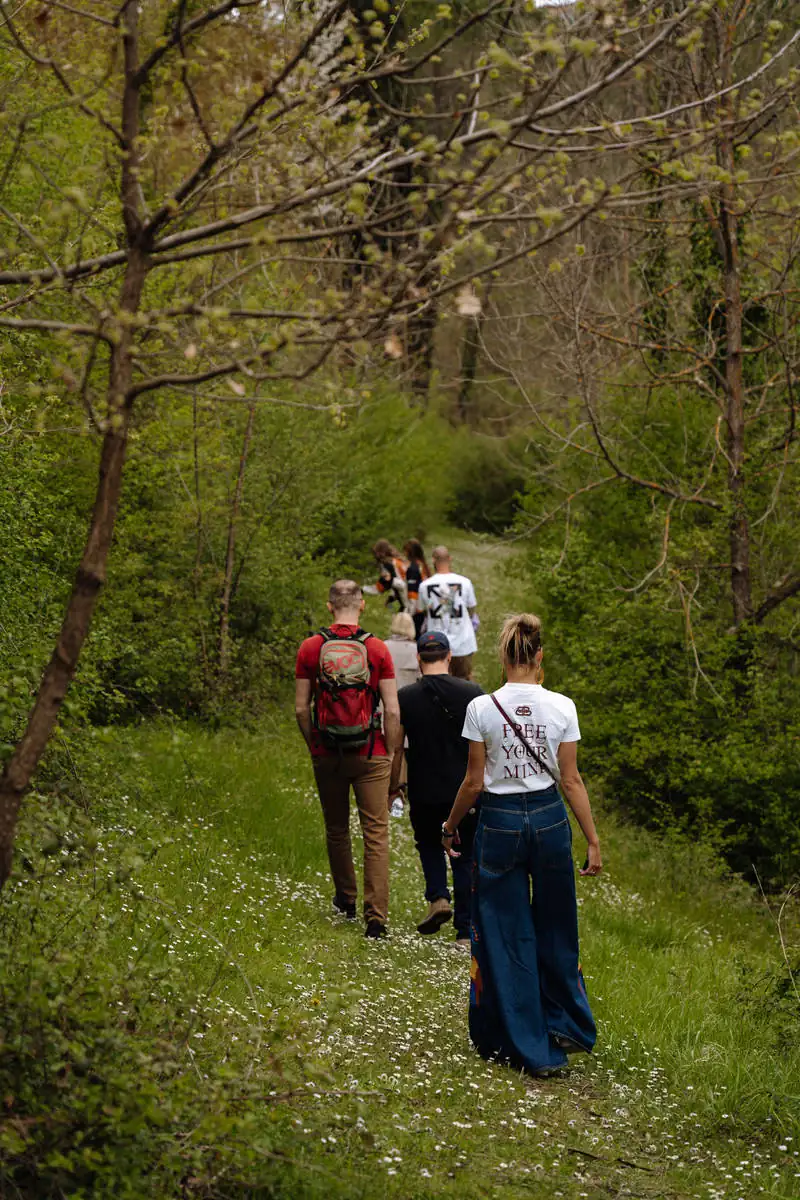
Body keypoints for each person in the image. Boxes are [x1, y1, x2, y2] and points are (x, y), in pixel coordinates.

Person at [442, 613, 602, 1076]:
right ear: (539, 657)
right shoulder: (563, 706)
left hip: (501, 822)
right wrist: (592, 839)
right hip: (551, 820)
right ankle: (565, 1023)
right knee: (556, 925)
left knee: (507, 933)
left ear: (506, 657)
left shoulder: (482, 708)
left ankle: (528, 1045)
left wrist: (450, 826)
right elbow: (570, 780)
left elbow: (473, 783)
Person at [295, 580, 401, 939]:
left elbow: (299, 707)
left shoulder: (311, 647)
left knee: (337, 829)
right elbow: (393, 711)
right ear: (362, 606)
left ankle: (346, 899)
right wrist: (388, 750)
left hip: (328, 751)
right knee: (376, 833)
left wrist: (314, 743)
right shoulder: (376, 648)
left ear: (329, 607)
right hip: (371, 751)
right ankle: (376, 919)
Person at [388, 630, 483, 946]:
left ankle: (439, 898)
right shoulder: (473, 694)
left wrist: (394, 785)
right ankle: (464, 932)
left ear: (418, 659)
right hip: (464, 788)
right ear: (449, 657)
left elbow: (397, 748)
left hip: (424, 788)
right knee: (465, 852)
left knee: (428, 842)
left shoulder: (406, 698)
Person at [416, 545, 479, 680]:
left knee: (439, 681)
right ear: (449, 559)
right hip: (463, 641)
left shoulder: (424, 586)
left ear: (433, 560)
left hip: (436, 644)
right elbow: (471, 608)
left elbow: (422, 610)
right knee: (464, 680)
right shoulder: (465, 582)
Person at [385, 611, 420, 818]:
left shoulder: (382, 647)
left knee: (389, 749)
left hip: (385, 704)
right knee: (404, 750)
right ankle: (400, 789)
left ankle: (389, 789)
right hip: (409, 705)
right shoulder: (417, 651)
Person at [403, 538, 430, 637]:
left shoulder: (413, 569)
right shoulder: (423, 566)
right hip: (425, 607)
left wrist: (409, 614)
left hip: (416, 609)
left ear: (409, 553)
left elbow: (413, 592)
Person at [371, 539, 408, 610]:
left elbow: (400, 583)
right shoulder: (397, 561)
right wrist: (391, 599)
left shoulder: (389, 564)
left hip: (409, 602)